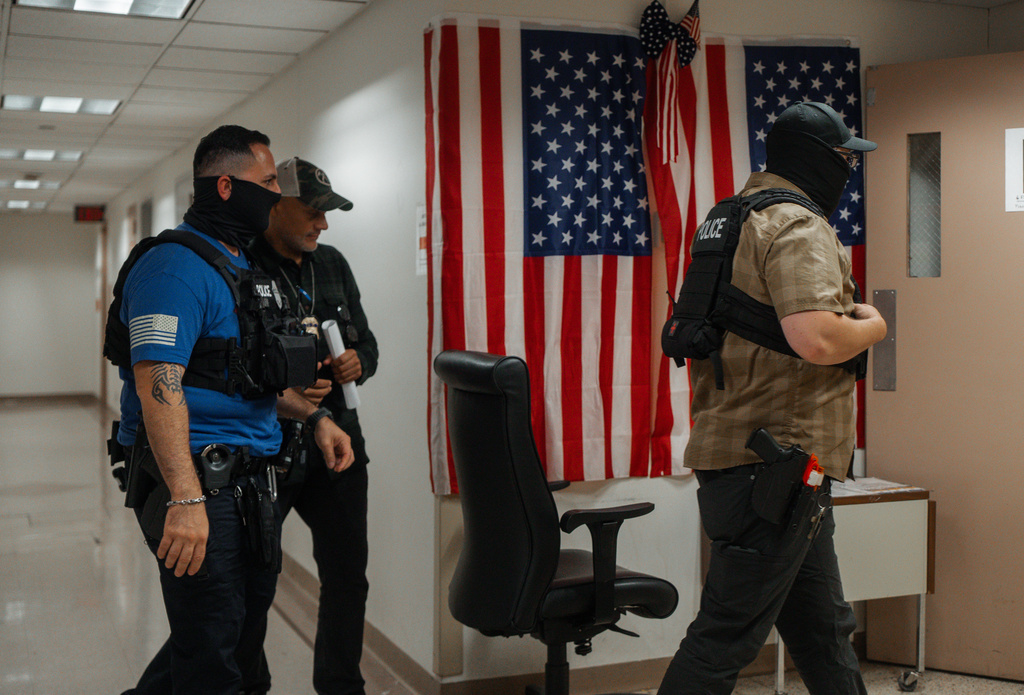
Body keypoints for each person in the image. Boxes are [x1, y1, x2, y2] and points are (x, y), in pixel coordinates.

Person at [111, 126, 355, 695]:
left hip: (251, 485)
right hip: (199, 483)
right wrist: (186, 497)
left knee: (236, 643)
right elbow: (158, 382)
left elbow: (238, 380)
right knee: (212, 661)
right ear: (225, 186)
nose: (276, 194)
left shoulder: (238, 269)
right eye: (267, 181)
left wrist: (316, 419)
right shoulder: (173, 267)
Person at [657, 102, 888, 695]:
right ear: (816, 159)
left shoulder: (731, 215)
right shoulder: (796, 224)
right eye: (842, 158)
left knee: (824, 630)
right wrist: (874, 327)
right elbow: (817, 337)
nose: (847, 170)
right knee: (724, 637)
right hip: (776, 466)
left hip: (763, 463)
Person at [239, 156, 379, 695]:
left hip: (337, 448)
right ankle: (251, 685)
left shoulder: (334, 263)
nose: (323, 223)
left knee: (347, 578)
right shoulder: (241, 263)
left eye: (328, 212)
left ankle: (341, 685)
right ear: (275, 204)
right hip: (266, 449)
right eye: (314, 211)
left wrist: (357, 363)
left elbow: (367, 343)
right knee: (253, 581)